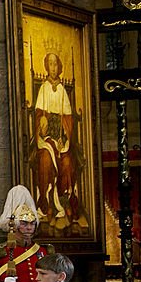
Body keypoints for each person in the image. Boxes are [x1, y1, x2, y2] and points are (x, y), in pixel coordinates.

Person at [33, 53, 85, 229]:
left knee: (68, 161)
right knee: (45, 160)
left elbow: (69, 118)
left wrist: (64, 136)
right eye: (50, 64)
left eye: (56, 64)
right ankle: (46, 203)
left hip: (61, 139)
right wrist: (42, 120)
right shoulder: (43, 88)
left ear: (59, 67)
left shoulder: (62, 89)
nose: (53, 68)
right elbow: (38, 114)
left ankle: (65, 202)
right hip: (46, 139)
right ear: (47, 67)